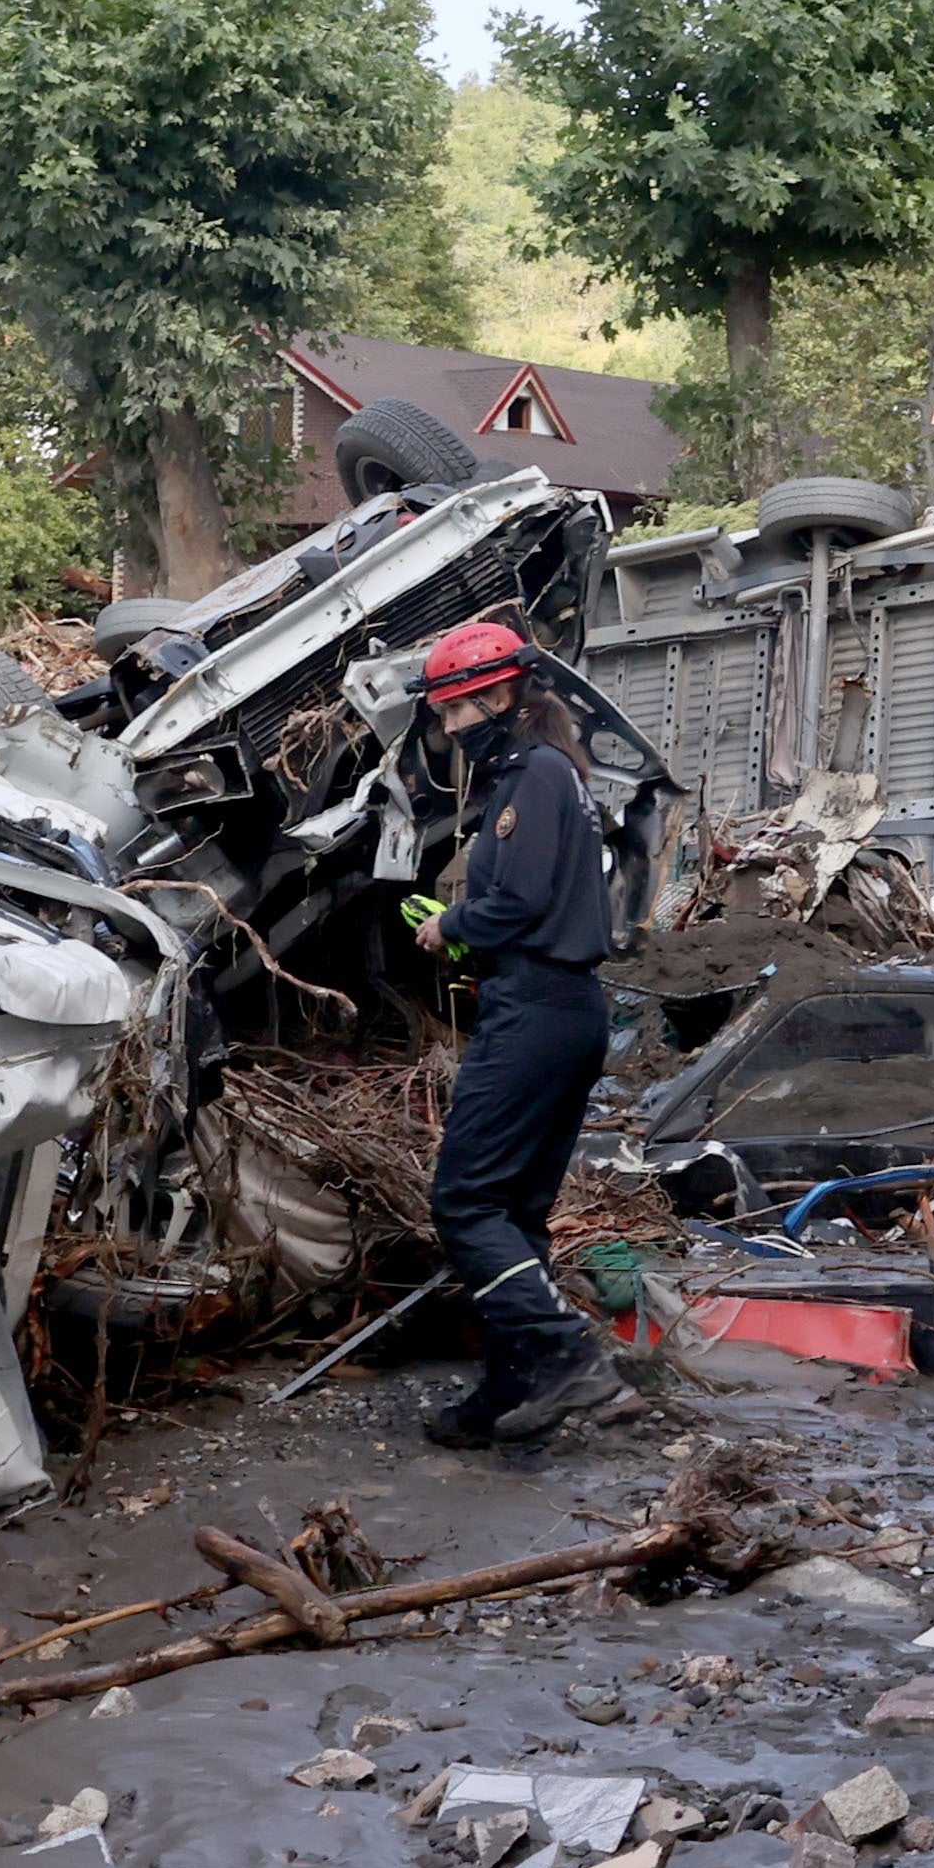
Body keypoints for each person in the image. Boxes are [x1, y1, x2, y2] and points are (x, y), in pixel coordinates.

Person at [401, 621, 633, 1451]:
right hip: (569, 1010)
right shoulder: (557, 773)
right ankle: (511, 1387)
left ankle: (566, 1355)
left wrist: (450, 924)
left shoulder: (532, 775)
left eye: (455, 712)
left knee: (464, 1201)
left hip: (534, 1008)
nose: (449, 729)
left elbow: (517, 902)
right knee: (518, 1212)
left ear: (499, 694)